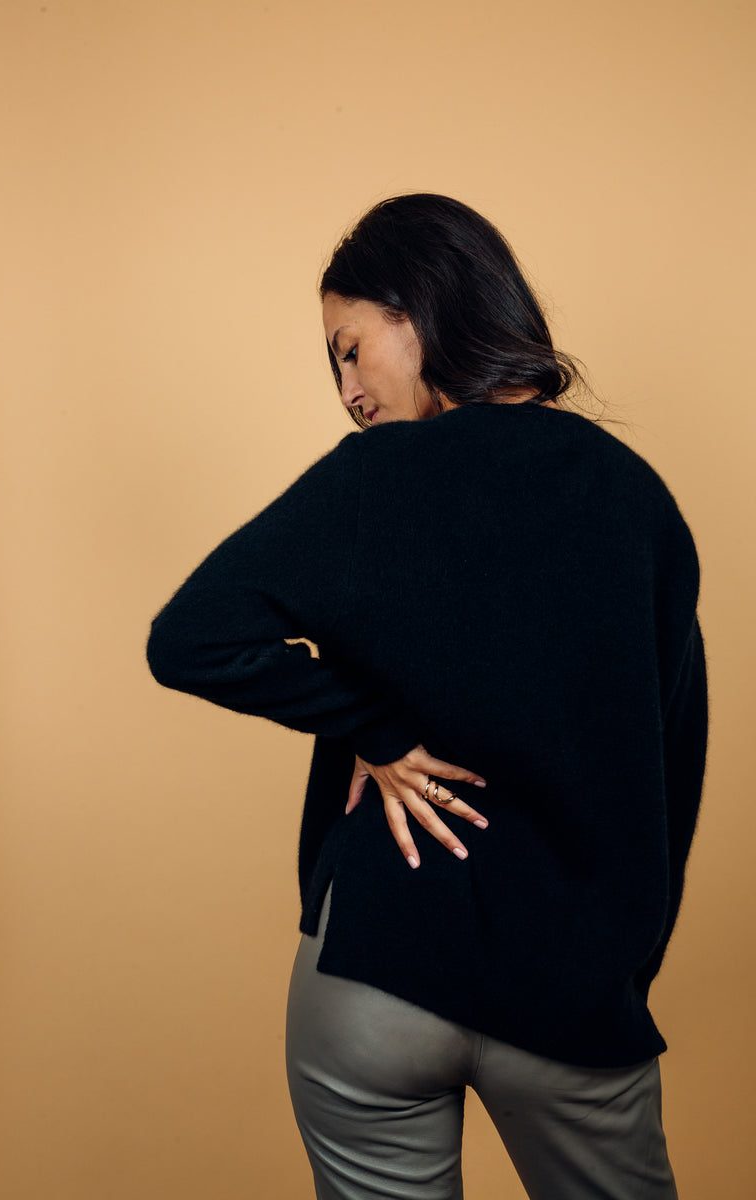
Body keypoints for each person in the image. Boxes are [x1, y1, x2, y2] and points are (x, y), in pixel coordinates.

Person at [146, 193, 707, 1200]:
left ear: (420, 311)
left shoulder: (371, 480)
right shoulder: (635, 502)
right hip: (569, 991)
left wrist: (376, 730)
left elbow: (189, 635)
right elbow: (674, 761)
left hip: (371, 978)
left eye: (350, 347)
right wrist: (618, 969)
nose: (346, 386)